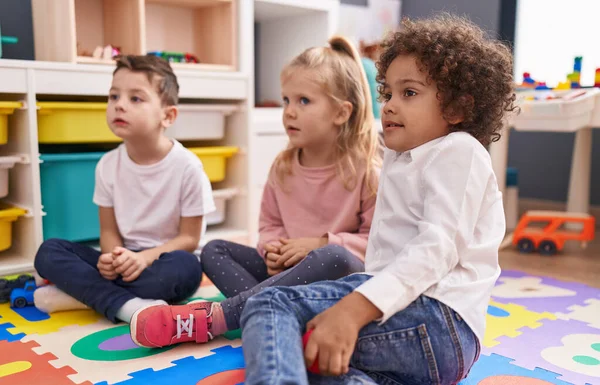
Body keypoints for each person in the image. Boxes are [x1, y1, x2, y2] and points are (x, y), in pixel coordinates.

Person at [239, 14, 517, 385]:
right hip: (421, 335)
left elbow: (437, 249)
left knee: (271, 304)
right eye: (387, 93)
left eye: (409, 93)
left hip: (437, 318)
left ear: (456, 108)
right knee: (318, 361)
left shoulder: (458, 151)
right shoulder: (400, 157)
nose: (388, 105)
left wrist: (353, 310)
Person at [129, 36, 382, 348]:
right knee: (214, 250)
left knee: (335, 256)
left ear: (341, 113)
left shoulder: (367, 171)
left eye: (304, 101)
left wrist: (318, 244)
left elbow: (378, 243)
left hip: (335, 281)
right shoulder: (284, 165)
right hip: (286, 274)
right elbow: (269, 224)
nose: (289, 111)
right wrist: (271, 250)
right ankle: (276, 316)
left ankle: (220, 317)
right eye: (286, 100)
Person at [34, 55, 215, 324]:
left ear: (168, 115)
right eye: (114, 96)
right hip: (124, 261)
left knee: (185, 270)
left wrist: (143, 259)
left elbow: (189, 238)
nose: (119, 105)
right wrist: (111, 258)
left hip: (164, 261)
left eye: (135, 99)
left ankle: (79, 296)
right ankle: (126, 303)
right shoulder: (107, 165)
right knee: (48, 251)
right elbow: (108, 231)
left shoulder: (187, 167)